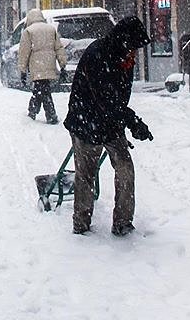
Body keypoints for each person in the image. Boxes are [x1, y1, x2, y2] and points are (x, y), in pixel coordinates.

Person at [63, 15, 153, 237]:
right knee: (86, 174)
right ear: (124, 40)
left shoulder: (125, 56)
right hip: (87, 122)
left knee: (125, 169)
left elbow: (118, 99)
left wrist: (128, 121)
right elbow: (106, 100)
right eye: (133, 47)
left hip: (110, 123)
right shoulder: (97, 55)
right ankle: (81, 224)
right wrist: (133, 121)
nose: (135, 52)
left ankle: (123, 222)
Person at [18, 8, 67, 124]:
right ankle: (39, 112)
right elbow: (59, 48)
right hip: (49, 64)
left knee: (41, 89)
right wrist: (63, 65)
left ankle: (45, 114)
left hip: (36, 65)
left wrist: (22, 70)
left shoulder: (28, 31)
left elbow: (24, 52)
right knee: (42, 88)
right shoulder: (51, 29)